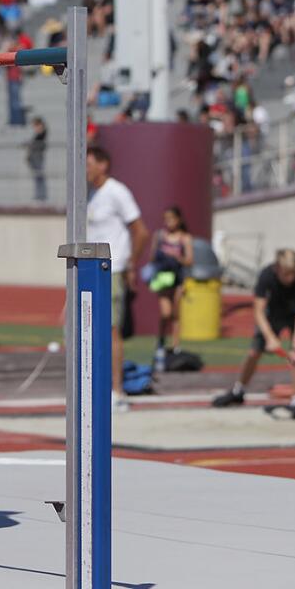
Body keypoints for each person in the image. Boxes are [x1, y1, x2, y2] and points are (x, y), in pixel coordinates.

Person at [212, 249, 295, 418]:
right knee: (254, 351)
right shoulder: (266, 275)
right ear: (277, 269)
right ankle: (239, 390)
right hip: (272, 314)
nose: (291, 278)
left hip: (294, 316)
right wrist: (270, 337)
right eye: (286, 274)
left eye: (293, 273)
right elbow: (259, 311)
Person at [86, 147, 149, 412]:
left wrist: (130, 262)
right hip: (90, 270)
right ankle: (95, 388)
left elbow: (141, 231)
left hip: (110, 269)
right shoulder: (90, 195)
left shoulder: (117, 191)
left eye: (89, 164)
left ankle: (117, 391)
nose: (85, 169)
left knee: (111, 331)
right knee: (89, 331)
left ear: (103, 165)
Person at [145, 206, 194, 370]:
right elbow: (152, 257)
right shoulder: (159, 236)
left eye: (171, 219)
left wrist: (176, 257)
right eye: (166, 219)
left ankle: (175, 346)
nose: (168, 222)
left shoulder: (185, 238)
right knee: (165, 313)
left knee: (175, 313)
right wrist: (160, 258)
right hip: (163, 278)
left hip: (178, 279)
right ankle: (160, 341)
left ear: (178, 219)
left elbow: (189, 260)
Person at [27, 116, 48, 202]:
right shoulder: (38, 135)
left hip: (38, 157)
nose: (34, 127)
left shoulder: (42, 133)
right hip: (35, 158)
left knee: (39, 176)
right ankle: (39, 195)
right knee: (37, 177)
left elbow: (39, 142)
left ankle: (41, 195)